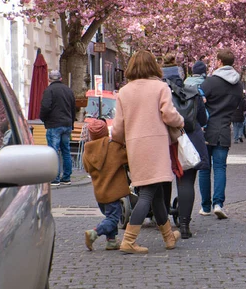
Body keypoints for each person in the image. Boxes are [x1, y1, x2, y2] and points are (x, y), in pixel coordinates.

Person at [111, 50, 183, 254]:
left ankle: (169, 237)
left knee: (156, 193)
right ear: (153, 66)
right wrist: (181, 121)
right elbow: (169, 115)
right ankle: (129, 240)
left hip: (135, 146)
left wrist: (118, 141)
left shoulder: (124, 92)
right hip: (156, 146)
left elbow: (117, 127)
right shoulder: (160, 87)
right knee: (148, 192)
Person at [162, 55, 209, 239]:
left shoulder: (159, 93)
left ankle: (164, 223)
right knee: (186, 182)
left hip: (165, 141)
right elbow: (203, 119)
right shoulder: (193, 91)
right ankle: (184, 225)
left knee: (163, 182)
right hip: (190, 141)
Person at [198, 48, 243, 219]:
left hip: (207, 128)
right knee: (220, 168)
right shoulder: (238, 85)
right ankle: (219, 203)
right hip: (224, 128)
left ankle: (206, 206)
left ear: (219, 62)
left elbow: (198, 101)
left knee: (204, 169)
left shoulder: (210, 82)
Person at [83, 119, 129, 251]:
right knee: (113, 218)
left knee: (109, 216)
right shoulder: (113, 147)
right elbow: (126, 157)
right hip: (113, 192)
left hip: (100, 193)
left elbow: (87, 169)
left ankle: (112, 241)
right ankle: (94, 233)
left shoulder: (87, 152)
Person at [40, 69, 76, 186]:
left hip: (54, 124)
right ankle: (66, 177)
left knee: (53, 151)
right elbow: (73, 108)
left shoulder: (49, 90)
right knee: (66, 150)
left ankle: (55, 178)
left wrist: (43, 119)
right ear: (61, 78)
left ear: (49, 79)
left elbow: (45, 107)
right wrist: (71, 123)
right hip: (67, 124)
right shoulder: (68, 91)